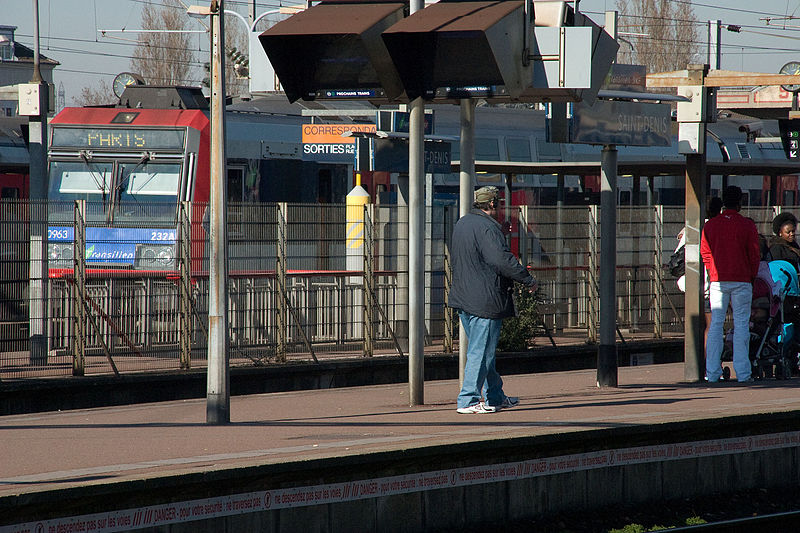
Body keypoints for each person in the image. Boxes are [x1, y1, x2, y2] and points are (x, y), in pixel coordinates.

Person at [448, 186, 538, 414]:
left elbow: (477, 252)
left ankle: (495, 397)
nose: (501, 208)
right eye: (499, 204)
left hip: (464, 298)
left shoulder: (464, 223)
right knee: (480, 351)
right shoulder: (488, 228)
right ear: (491, 205)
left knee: (484, 351)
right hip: (485, 300)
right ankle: (468, 400)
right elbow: (501, 260)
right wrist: (527, 280)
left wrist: (500, 233)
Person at [700, 186, 761, 383]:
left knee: (716, 324)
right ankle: (743, 374)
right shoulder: (747, 225)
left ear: (723, 201)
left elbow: (705, 252)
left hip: (718, 280)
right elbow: (754, 255)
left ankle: (712, 372)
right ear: (740, 202)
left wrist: (712, 271)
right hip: (742, 279)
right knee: (741, 325)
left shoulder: (710, 226)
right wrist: (751, 276)